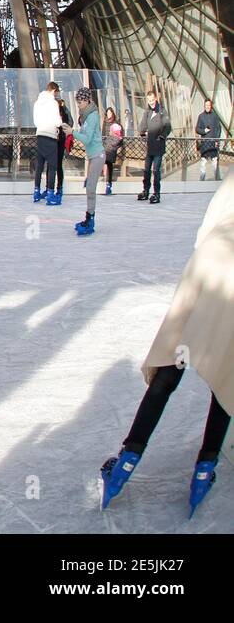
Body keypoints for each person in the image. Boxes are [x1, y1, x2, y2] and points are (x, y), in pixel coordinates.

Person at [99, 177, 234, 515]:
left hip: (212, 254)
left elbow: (207, 226)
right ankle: (205, 466)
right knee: (227, 366)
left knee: (174, 355)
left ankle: (130, 455)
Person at [70, 87, 104, 236]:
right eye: (77, 102)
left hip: (98, 155)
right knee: (89, 187)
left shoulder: (92, 116)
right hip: (93, 156)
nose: (78, 105)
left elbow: (87, 139)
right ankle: (89, 218)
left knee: (90, 189)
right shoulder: (87, 116)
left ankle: (90, 219)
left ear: (87, 100)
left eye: (80, 102)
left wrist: (72, 133)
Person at [137, 89, 171, 204]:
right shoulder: (147, 112)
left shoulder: (162, 111)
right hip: (150, 146)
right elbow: (142, 125)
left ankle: (156, 193)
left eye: (152, 100)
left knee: (156, 171)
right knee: (146, 170)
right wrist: (141, 131)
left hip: (158, 147)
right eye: (149, 100)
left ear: (155, 98)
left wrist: (162, 136)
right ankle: (146, 190)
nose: (151, 102)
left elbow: (167, 126)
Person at [32, 81, 62, 205]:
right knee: (52, 166)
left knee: (39, 166)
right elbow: (57, 122)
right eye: (56, 93)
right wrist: (60, 123)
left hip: (40, 134)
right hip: (50, 136)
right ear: (54, 91)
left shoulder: (37, 103)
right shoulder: (53, 103)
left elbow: (35, 121)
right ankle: (50, 194)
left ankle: (36, 191)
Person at [196, 98, 222, 182]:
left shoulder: (215, 116)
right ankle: (202, 180)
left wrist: (217, 140)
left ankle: (217, 180)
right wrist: (204, 131)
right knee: (203, 163)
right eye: (206, 105)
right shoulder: (201, 116)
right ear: (204, 105)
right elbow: (197, 129)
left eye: (209, 105)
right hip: (205, 144)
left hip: (213, 143)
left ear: (211, 106)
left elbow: (218, 128)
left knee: (215, 163)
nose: (207, 106)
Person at [102, 106, 123, 196]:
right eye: (108, 113)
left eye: (110, 113)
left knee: (109, 163)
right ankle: (107, 182)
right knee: (104, 162)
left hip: (112, 145)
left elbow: (120, 135)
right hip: (106, 144)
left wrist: (118, 145)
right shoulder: (105, 122)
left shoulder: (116, 123)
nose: (109, 114)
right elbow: (103, 133)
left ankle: (108, 184)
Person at [55, 93, 73, 198]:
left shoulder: (64, 111)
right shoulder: (52, 111)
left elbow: (71, 122)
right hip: (52, 139)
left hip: (60, 140)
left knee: (58, 165)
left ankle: (60, 187)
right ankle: (50, 187)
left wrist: (63, 129)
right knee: (51, 165)